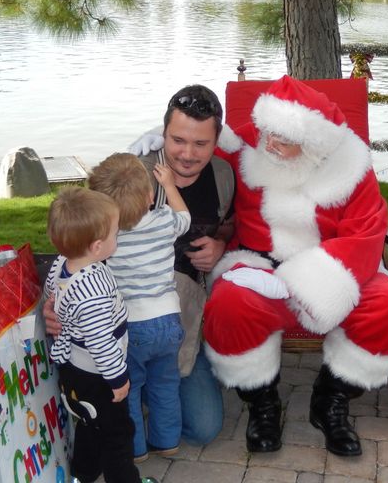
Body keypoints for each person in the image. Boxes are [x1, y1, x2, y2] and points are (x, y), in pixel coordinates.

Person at [201, 74, 388, 457]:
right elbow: (195, 148)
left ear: (314, 145)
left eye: (283, 140)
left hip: (336, 266)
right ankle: (263, 403)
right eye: (268, 132)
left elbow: (366, 235)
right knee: (229, 304)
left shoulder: (351, 169)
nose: (269, 144)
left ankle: (330, 399)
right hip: (258, 265)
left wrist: (312, 283)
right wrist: (158, 148)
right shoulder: (250, 144)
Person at [44, 84, 235, 448]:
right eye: (178, 140)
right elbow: (78, 238)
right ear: (162, 134)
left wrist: (221, 246)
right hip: (120, 325)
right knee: (138, 393)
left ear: (217, 140)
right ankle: (134, 400)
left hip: (184, 320)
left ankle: (143, 396)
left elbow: (231, 226)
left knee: (205, 427)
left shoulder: (224, 177)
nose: (188, 154)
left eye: (200, 144)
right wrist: (54, 300)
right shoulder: (132, 177)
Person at [44, 186, 157, 483]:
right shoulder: (93, 292)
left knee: (90, 421)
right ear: (96, 246)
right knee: (118, 434)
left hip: (75, 369)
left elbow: (51, 296)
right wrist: (118, 380)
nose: (117, 238)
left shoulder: (61, 264)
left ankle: (83, 472)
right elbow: (102, 342)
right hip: (98, 376)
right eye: (115, 234)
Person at [87, 153, 191, 462]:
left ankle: (135, 449)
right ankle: (167, 440)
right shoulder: (163, 221)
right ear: (149, 197)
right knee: (165, 384)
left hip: (131, 327)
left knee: (128, 388)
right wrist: (170, 186)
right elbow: (185, 216)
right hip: (169, 322)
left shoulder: (107, 236)